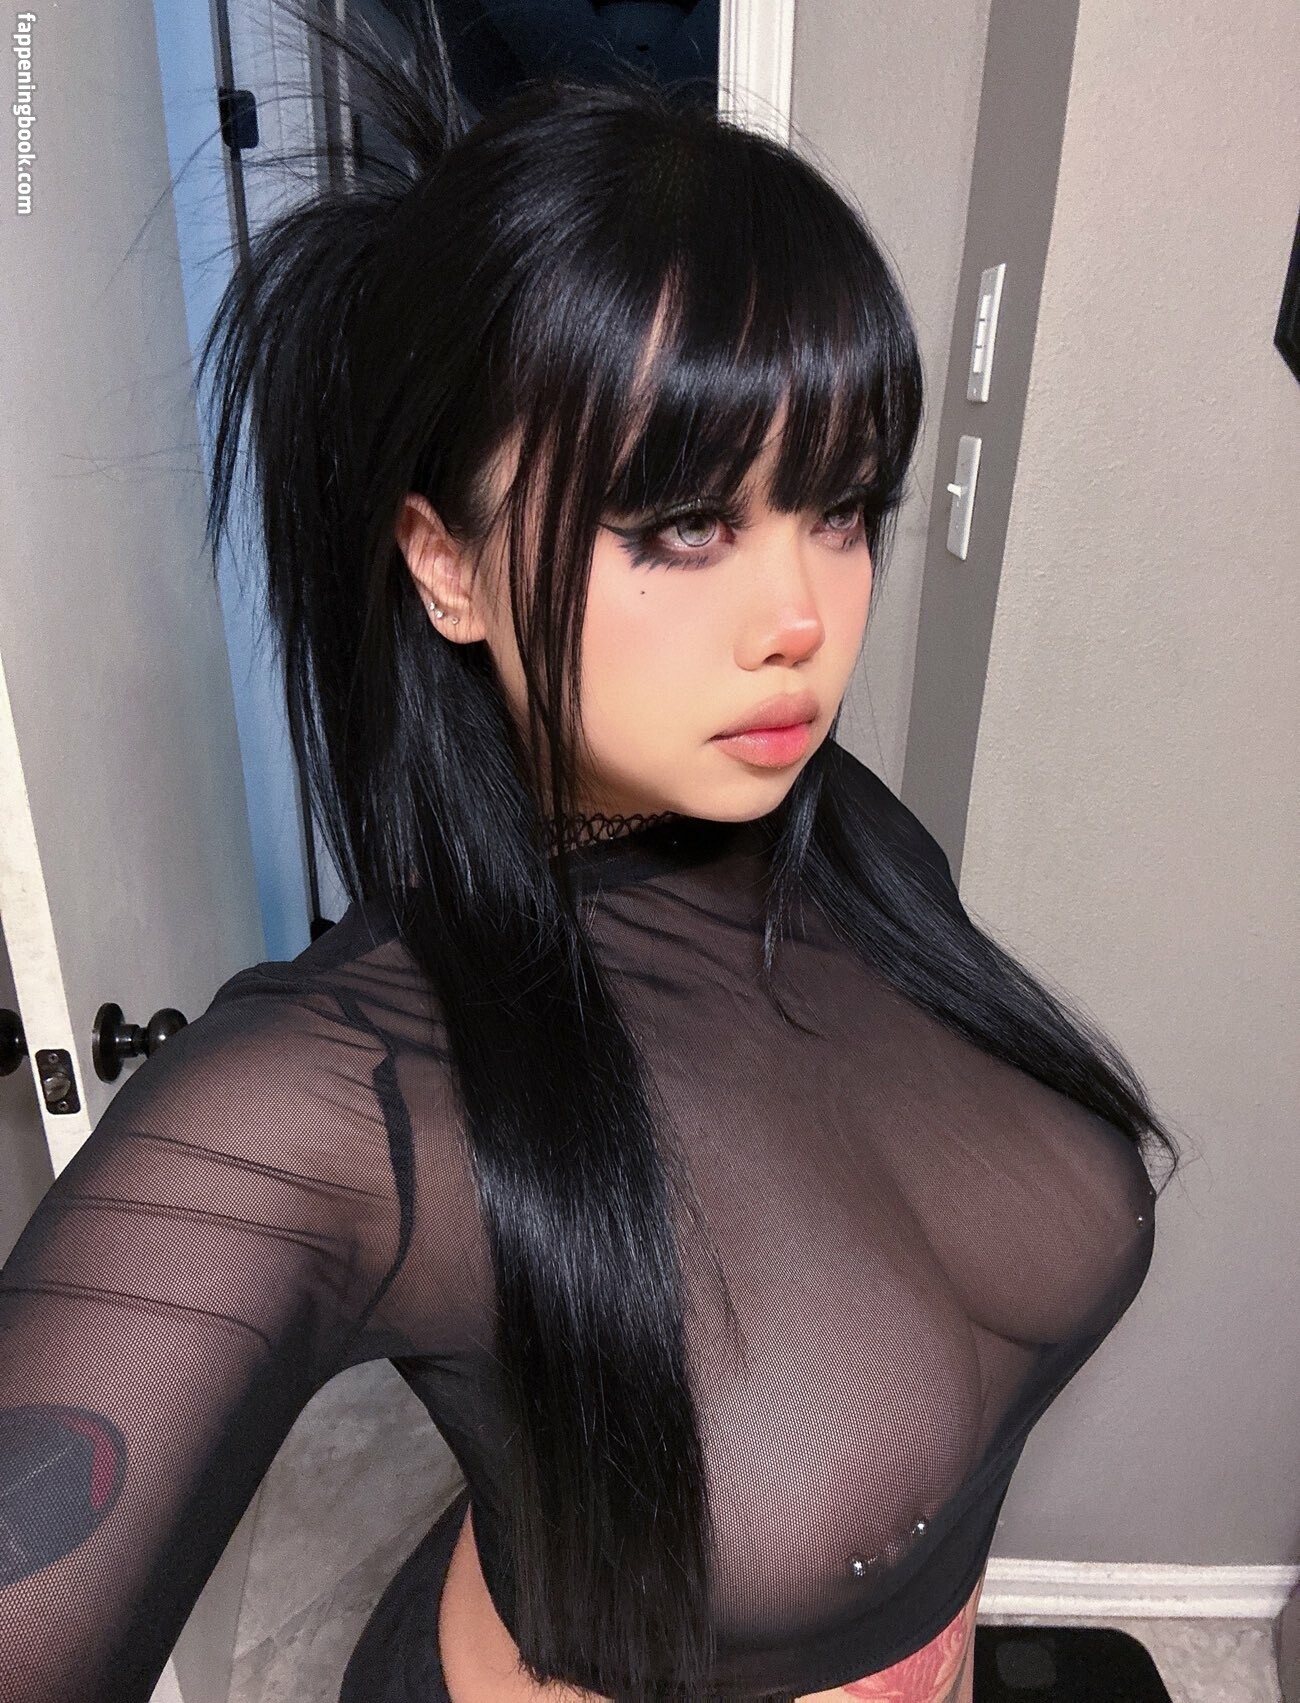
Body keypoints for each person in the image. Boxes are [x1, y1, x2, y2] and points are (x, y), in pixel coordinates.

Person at [0, 3, 1181, 1700]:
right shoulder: (337, 1096)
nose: (803, 618)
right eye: (686, 523)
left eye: (842, 509)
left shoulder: (849, 832)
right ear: (447, 565)